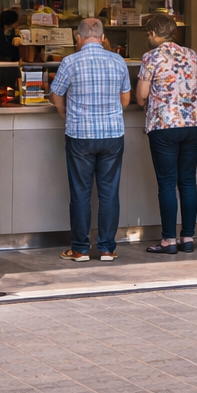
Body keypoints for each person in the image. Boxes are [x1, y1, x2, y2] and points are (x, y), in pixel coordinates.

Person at [50, 17, 132, 262]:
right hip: (112, 135)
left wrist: (66, 114)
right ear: (104, 37)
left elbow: (56, 95)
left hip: (80, 136)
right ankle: (107, 248)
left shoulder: (70, 61)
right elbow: (125, 100)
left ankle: (80, 250)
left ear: (79, 38)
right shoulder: (117, 61)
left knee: (80, 193)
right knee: (109, 193)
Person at [136, 13, 197, 254]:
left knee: (167, 183)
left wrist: (143, 100)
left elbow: (142, 94)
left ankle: (168, 241)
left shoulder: (151, 57)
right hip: (195, 124)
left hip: (165, 125)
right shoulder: (191, 54)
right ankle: (187, 238)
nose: (149, 37)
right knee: (188, 180)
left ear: (155, 33)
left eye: (149, 33)